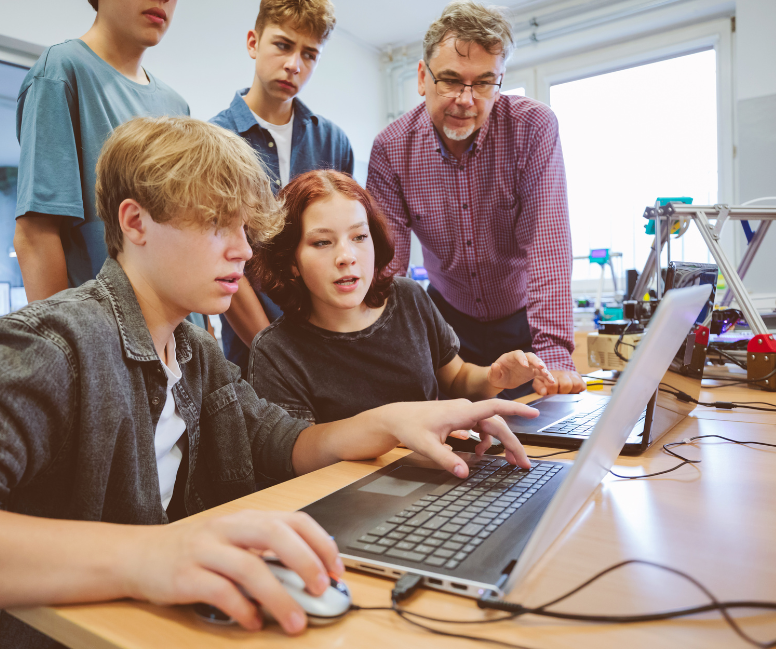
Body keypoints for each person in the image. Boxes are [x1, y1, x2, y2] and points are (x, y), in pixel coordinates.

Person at [0, 117, 537, 648]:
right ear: (136, 223)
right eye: (217, 222)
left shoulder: (193, 350)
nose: (241, 249)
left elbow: (288, 442)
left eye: (244, 226)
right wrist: (149, 553)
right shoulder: (52, 343)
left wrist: (400, 418)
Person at [366, 0, 585, 398]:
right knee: (450, 447)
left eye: (483, 83)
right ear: (422, 77)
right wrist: (376, 351)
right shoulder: (391, 149)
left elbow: (548, 245)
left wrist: (553, 352)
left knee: (534, 446)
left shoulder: (532, 129)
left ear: (499, 79)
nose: (466, 100)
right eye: (450, 80)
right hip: (444, 323)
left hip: (523, 325)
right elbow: (386, 265)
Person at [249, 169, 553, 431]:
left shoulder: (408, 298)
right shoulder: (276, 352)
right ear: (290, 260)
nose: (346, 257)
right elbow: (301, 458)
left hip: (437, 476)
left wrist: (494, 376)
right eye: (322, 242)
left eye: (359, 237)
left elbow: (457, 377)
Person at [210, 0, 354, 376]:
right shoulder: (216, 141)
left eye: (309, 54)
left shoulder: (333, 142)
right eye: (283, 45)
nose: (294, 64)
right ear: (253, 42)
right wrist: (272, 352)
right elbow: (223, 259)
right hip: (251, 353)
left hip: (331, 343)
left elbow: (347, 242)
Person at [13, 0, 188, 301]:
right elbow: (36, 235)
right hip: (104, 334)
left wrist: (204, 335)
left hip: (182, 332)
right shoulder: (61, 72)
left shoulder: (176, 106)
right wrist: (67, 343)